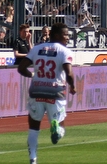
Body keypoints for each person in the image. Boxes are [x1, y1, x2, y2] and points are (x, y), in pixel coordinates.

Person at [18, 23, 76, 164]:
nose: (68, 38)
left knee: (33, 128)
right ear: (56, 35)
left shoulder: (37, 49)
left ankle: (33, 159)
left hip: (36, 91)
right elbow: (68, 73)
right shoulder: (64, 51)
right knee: (61, 128)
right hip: (55, 92)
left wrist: (32, 76)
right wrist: (73, 86)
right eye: (65, 35)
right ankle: (55, 126)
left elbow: (21, 68)